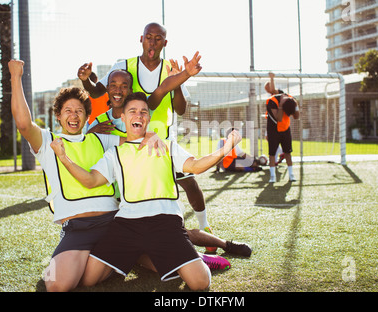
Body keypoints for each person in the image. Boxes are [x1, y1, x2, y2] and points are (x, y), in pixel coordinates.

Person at [8, 56, 195, 292]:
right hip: (78, 227)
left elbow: (135, 136)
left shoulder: (101, 137)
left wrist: (153, 136)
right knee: (57, 285)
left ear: (87, 116)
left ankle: (139, 254)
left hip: (114, 223)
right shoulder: (48, 143)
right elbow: (24, 124)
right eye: (68, 111)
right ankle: (119, 258)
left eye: (79, 111)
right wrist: (16, 76)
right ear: (58, 116)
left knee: (171, 263)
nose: (74, 116)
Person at [50, 93, 244, 290]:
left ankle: (192, 259)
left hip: (166, 223)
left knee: (200, 283)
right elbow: (91, 180)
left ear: (149, 118)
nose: (139, 116)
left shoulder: (166, 145)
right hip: (127, 225)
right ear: (123, 118)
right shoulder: (114, 153)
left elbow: (195, 166)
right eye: (132, 111)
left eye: (143, 112)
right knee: (90, 279)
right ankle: (139, 257)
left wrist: (224, 149)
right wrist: (64, 158)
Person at [86, 68, 252, 262]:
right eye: (113, 85)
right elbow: (91, 152)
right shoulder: (99, 123)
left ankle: (224, 244)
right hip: (121, 193)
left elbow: (164, 89)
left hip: (152, 178)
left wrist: (183, 75)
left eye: (124, 86)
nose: (138, 116)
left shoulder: (145, 119)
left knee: (177, 230)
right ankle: (200, 258)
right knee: (141, 253)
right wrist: (90, 135)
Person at [78, 22, 216, 253]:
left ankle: (204, 227)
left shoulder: (168, 71)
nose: (152, 42)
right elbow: (98, 91)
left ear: (165, 42)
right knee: (129, 189)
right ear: (141, 39)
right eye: (148, 37)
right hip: (131, 139)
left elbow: (176, 105)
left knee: (188, 183)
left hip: (161, 140)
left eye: (158, 38)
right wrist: (85, 80)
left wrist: (181, 80)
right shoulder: (123, 66)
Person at [265, 73, 300, 182]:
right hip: (273, 129)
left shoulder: (291, 99)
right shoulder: (272, 101)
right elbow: (279, 118)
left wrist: (296, 107)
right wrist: (281, 106)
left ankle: (291, 174)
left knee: (288, 152)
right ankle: (272, 176)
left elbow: (296, 117)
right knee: (272, 153)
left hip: (285, 129)